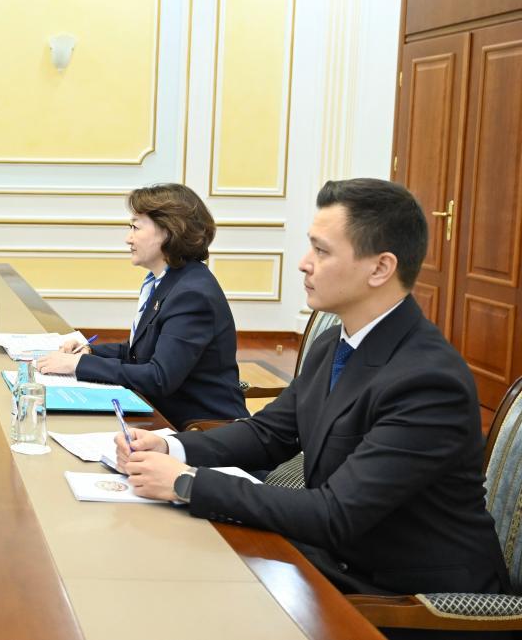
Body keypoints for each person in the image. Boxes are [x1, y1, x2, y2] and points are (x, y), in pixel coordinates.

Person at [116, 179, 508, 610]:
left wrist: (187, 483)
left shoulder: (428, 381)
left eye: (321, 251)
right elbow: (270, 433)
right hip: (340, 563)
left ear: (380, 268)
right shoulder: (334, 343)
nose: (304, 264)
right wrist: (170, 446)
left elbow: (336, 514)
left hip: (405, 599)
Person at [36, 183, 246, 429]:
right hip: (167, 417)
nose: (128, 238)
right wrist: (89, 352)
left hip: (203, 429)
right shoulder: (168, 281)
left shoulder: (192, 294)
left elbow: (159, 378)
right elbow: (139, 353)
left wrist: (78, 365)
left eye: (135, 227)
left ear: (169, 231)